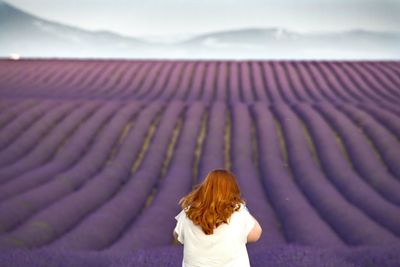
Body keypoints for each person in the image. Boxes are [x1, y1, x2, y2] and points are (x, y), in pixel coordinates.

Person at [173, 169, 262, 267]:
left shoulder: (188, 213)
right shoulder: (239, 213)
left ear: (205, 188)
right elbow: (256, 234)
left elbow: (177, 236)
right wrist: (243, 208)